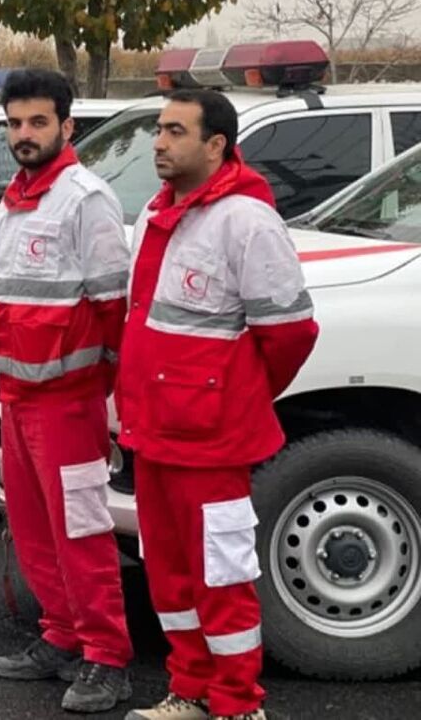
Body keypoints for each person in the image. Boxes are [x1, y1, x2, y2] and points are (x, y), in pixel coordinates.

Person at [118, 90, 318, 720]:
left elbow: (289, 334)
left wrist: (232, 393)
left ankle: (237, 704)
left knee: (221, 577)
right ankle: (190, 690)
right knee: (170, 576)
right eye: (158, 129)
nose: (158, 142)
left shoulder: (247, 221)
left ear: (215, 145)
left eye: (175, 131)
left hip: (210, 441)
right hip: (155, 433)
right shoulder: (161, 213)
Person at [0, 70, 133, 713]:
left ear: (66, 127)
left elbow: (112, 306)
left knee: (81, 533)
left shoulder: (84, 198)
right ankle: (62, 636)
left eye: (37, 122)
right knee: (34, 529)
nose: (24, 134)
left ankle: (108, 659)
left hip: (68, 402)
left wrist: (104, 399)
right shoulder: (17, 198)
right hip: (17, 396)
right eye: (15, 123)